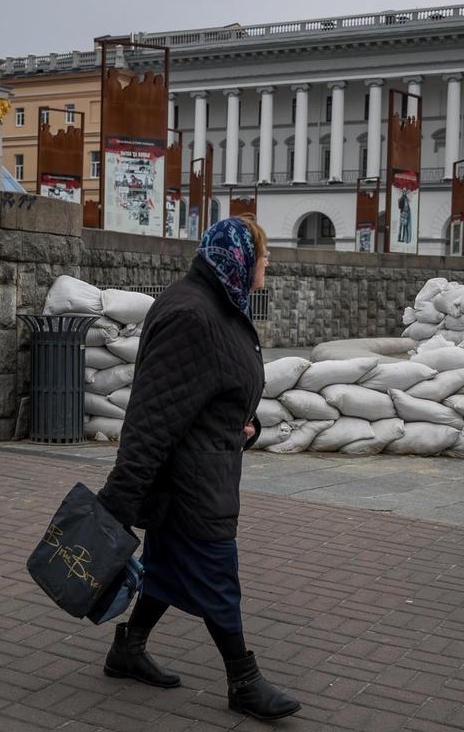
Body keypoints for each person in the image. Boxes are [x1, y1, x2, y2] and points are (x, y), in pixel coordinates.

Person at [96, 216, 302, 721]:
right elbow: (152, 416)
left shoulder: (214, 302)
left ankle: (128, 648)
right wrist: (118, 503)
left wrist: (241, 420)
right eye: (263, 254)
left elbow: (209, 386)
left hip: (202, 467)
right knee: (216, 575)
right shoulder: (194, 314)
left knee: (168, 568)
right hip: (190, 481)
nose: (268, 262)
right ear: (237, 259)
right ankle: (243, 678)